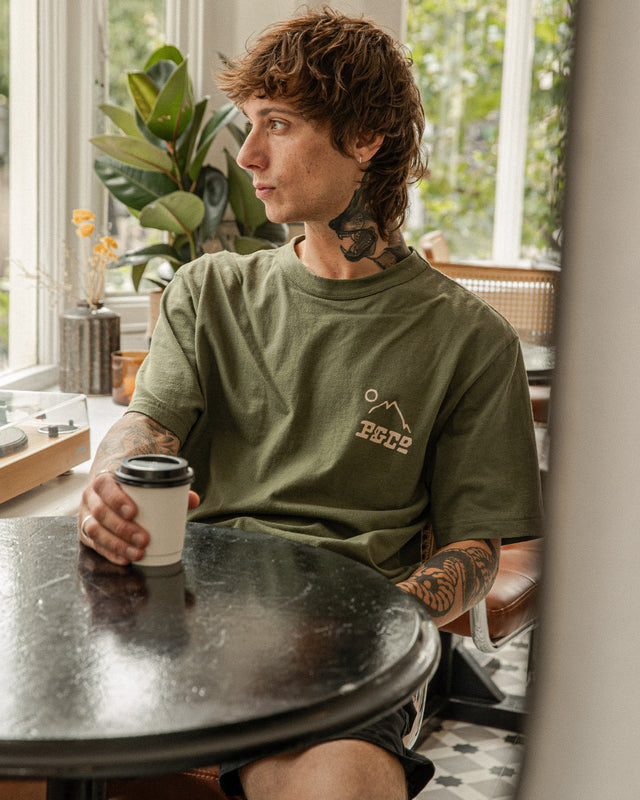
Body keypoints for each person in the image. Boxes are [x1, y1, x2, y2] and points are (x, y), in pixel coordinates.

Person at [78, 7, 542, 800]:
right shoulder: (209, 291)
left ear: (365, 137)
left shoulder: (470, 340)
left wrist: (370, 625)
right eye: (249, 123)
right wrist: (111, 483)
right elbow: (145, 426)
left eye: (279, 124)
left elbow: (474, 551)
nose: (248, 154)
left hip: (346, 660)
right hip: (180, 619)